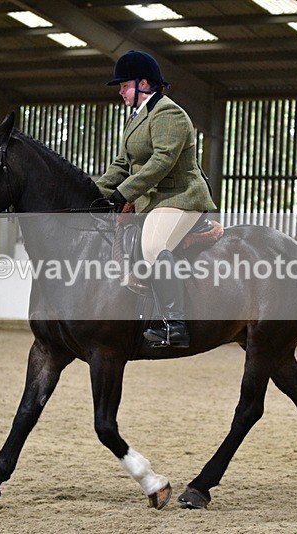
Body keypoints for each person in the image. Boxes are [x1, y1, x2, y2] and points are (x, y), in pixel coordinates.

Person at [97, 50, 217, 348]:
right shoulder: (136, 119)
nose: (121, 92)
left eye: (124, 85)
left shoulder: (168, 113)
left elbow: (162, 160)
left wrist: (125, 193)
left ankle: (175, 324)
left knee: (152, 246)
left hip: (181, 197)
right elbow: (122, 165)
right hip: (153, 201)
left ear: (145, 84)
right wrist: (95, 194)